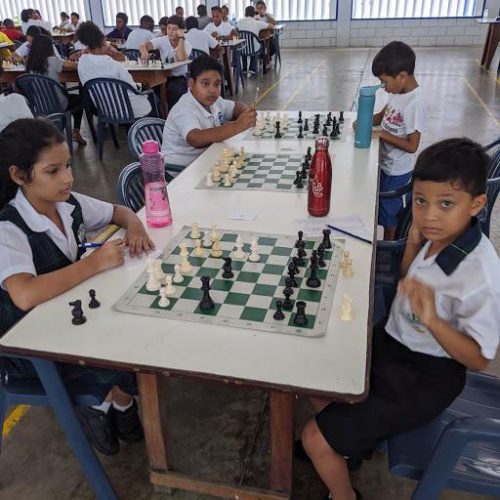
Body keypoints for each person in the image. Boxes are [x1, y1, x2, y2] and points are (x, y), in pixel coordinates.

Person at [301, 137, 500, 500]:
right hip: (393, 341)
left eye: (446, 204)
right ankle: (352, 442)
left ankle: (343, 493)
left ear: (477, 204)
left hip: (423, 378)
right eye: (421, 201)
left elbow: (480, 357)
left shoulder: (480, 276)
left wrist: (435, 320)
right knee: (313, 374)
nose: (429, 215)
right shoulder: (439, 235)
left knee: (313, 438)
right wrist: (411, 245)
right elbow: (410, 283)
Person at [0, 118, 155, 455]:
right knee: (125, 349)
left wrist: (136, 227)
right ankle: (99, 407)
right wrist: (93, 264)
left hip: (69, 319)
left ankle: (121, 401)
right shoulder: (9, 228)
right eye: (52, 171)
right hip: (30, 346)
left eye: (68, 165)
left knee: (137, 332)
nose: (68, 178)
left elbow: (119, 211)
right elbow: (24, 295)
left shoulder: (68, 204)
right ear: (18, 175)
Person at [161, 56, 256, 173]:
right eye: (205, 84)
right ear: (191, 84)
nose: (212, 90)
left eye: (217, 84)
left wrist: (247, 112)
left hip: (206, 162)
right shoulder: (184, 108)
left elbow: (236, 107)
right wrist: (237, 126)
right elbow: (196, 138)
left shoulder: (214, 101)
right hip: (180, 173)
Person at [372, 41, 425, 240]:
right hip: (385, 164)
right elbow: (381, 117)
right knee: (382, 208)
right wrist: (363, 121)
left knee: (390, 214)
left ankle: (388, 249)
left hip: (398, 172)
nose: (384, 88)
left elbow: (413, 146)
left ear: (402, 76)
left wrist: (383, 135)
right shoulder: (398, 93)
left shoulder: (415, 102)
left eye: (385, 82)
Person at [76, 22, 151, 117]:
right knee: (152, 98)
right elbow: (133, 88)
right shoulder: (114, 65)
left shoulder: (82, 62)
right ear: (102, 41)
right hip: (127, 109)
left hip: (102, 109)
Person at [26, 34, 86, 145]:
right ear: (49, 47)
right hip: (58, 104)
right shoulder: (53, 61)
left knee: (69, 96)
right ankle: (76, 131)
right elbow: (75, 66)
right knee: (79, 98)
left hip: (39, 105)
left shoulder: (29, 64)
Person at [139, 15, 191, 110]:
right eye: (169, 28)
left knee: (174, 89)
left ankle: (173, 117)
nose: (170, 32)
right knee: (148, 90)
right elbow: (144, 45)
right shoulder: (162, 40)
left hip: (178, 77)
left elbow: (180, 57)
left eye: (174, 29)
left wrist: (181, 38)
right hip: (162, 76)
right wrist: (144, 52)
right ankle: (157, 117)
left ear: (181, 31)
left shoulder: (186, 44)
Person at [237, 6, 269, 73]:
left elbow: (235, 29)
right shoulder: (257, 23)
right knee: (260, 45)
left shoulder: (239, 22)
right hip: (253, 49)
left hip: (242, 49)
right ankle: (252, 68)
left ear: (245, 13)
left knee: (244, 44)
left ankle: (244, 68)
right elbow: (269, 26)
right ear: (254, 14)